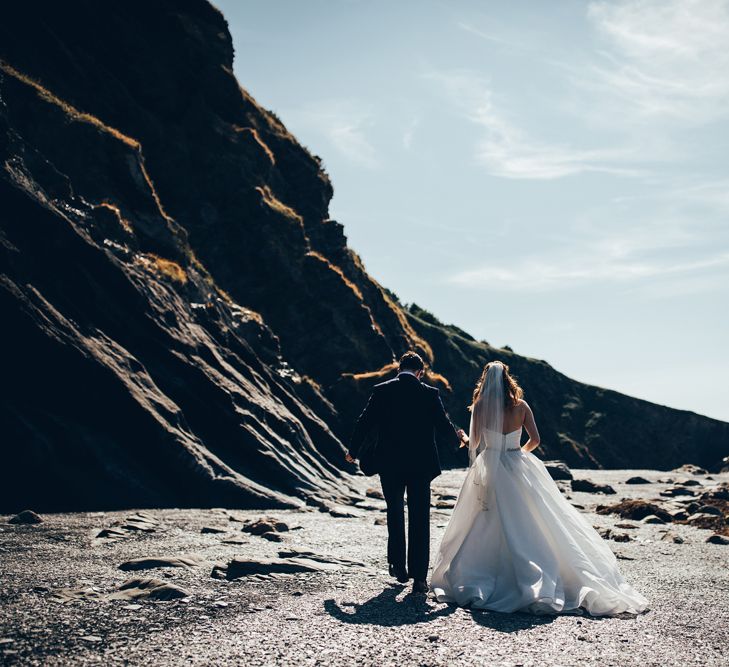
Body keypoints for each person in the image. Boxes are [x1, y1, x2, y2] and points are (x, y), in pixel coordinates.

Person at [430, 360, 648, 616]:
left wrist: (464, 438)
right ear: (507, 380)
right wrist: (517, 454)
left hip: (491, 465)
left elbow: (474, 444)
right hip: (518, 464)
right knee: (533, 518)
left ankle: (487, 572)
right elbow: (536, 439)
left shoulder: (480, 407)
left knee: (486, 520)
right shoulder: (521, 406)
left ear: (485, 380)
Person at [347, 351, 467, 594]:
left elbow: (364, 421)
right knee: (420, 517)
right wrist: (459, 443)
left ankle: (398, 567)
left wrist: (353, 450)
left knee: (394, 512)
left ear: (398, 369)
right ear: (420, 372)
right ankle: (419, 579)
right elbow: (443, 424)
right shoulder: (429, 393)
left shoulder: (382, 390)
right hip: (421, 465)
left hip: (389, 464)